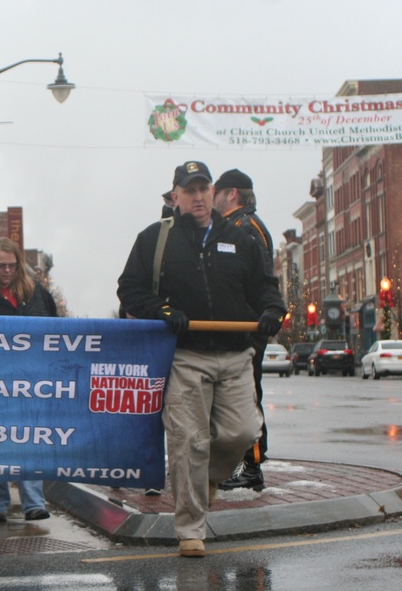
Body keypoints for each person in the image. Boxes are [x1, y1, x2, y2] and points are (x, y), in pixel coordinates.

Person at [117, 160, 285, 558]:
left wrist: (272, 310)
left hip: (235, 353)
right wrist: (161, 311)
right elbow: (130, 289)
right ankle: (190, 529)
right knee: (188, 442)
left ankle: (208, 477)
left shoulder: (241, 240)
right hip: (186, 356)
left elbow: (265, 286)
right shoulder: (155, 239)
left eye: (203, 189)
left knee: (243, 432)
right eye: (188, 190)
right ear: (175, 196)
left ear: (214, 193)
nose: (197, 197)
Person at [0, 237, 56, 522]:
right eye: (1, 266)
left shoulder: (38, 294)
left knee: (31, 439)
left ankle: (34, 503)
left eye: (12, 266)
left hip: (31, 379)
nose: (7, 271)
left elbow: (56, 332)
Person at [213, 168, 275, 492]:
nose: (212, 198)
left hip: (249, 326)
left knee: (248, 396)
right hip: (245, 324)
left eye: (216, 192)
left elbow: (260, 280)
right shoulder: (239, 225)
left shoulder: (246, 227)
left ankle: (253, 467)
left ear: (232, 193)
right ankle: (247, 464)